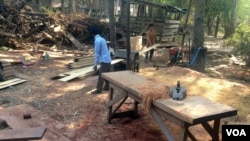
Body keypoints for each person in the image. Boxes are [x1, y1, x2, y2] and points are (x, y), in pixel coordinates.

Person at [91, 27, 112, 94]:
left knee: (101, 75)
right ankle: (107, 86)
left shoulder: (97, 40)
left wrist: (95, 65)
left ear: (93, 34)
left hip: (104, 60)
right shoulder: (103, 39)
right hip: (108, 59)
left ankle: (98, 89)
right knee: (107, 74)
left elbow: (97, 53)